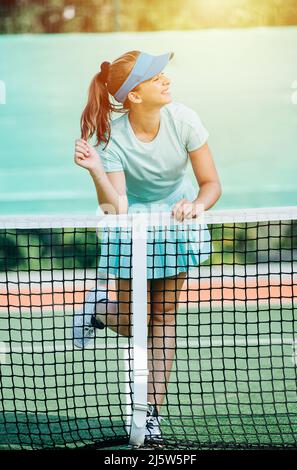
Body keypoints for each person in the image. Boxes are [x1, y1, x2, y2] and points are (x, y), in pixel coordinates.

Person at [72, 50, 221, 444]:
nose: (166, 80)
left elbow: (211, 183)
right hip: (131, 225)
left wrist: (196, 205)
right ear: (134, 96)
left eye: (162, 74)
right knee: (133, 320)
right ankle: (99, 311)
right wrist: (96, 171)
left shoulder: (184, 120)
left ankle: (151, 414)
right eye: (156, 77)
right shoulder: (111, 139)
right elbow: (117, 206)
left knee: (163, 318)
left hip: (176, 221)